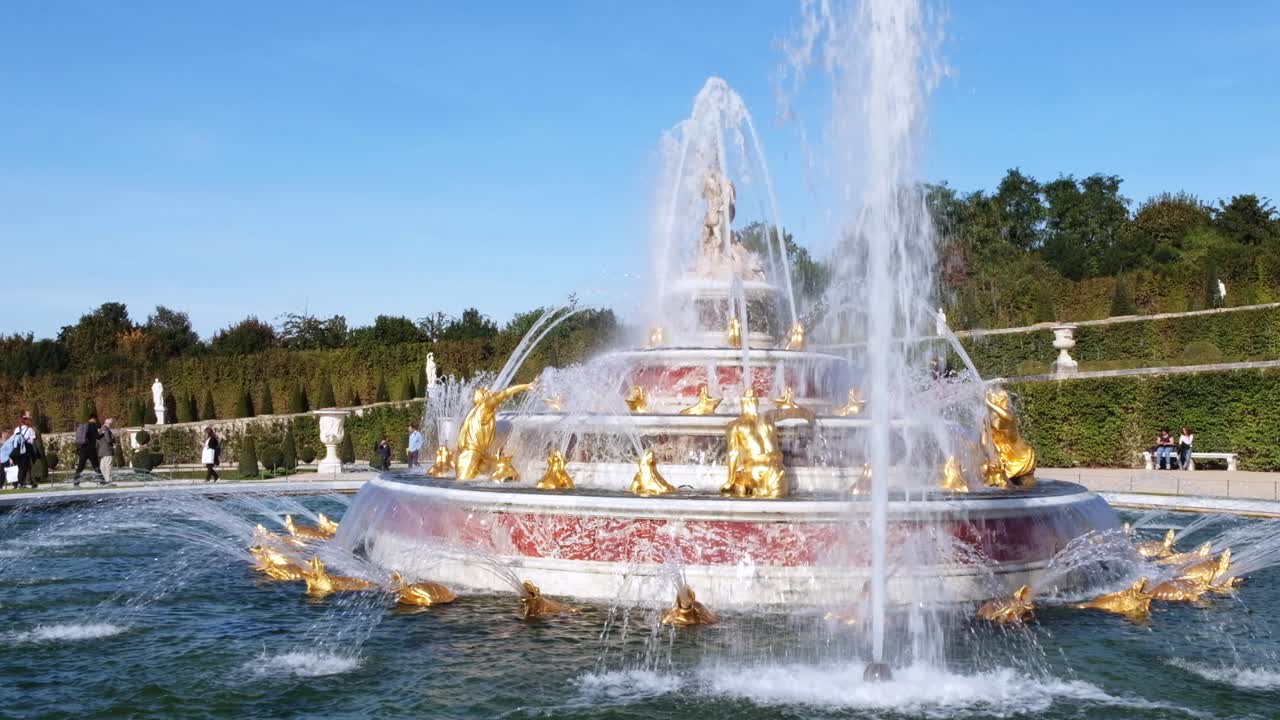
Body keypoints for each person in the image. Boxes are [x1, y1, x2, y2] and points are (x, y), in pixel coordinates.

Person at [73, 412, 102, 486]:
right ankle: (102, 481)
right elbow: (97, 437)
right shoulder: (93, 426)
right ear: (94, 419)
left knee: (80, 466)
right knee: (96, 466)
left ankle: (76, 482)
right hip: (91, 449)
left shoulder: (84, 426)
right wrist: (103, 434)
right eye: (96, 419)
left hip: (83, 448)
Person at [11, 412, 38, 488]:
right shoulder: (30, 429)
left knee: (18, 467)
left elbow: (14, 439)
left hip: (16, 451)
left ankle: (17, 483)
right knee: (24, 467)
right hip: (25, 451)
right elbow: (32, 441)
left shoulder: (17, 429)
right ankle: (21, 483)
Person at [96, 418, 116, 486]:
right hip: (108, 451)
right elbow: (108, 440)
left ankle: (103, 481)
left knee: (102, 467)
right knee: (108, 467)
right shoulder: (106, 430)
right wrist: (113, 439)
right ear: (108, 423)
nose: (111, 425)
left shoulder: (100, 430)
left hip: (101, 452)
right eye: (111, 424)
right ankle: (108, 481)